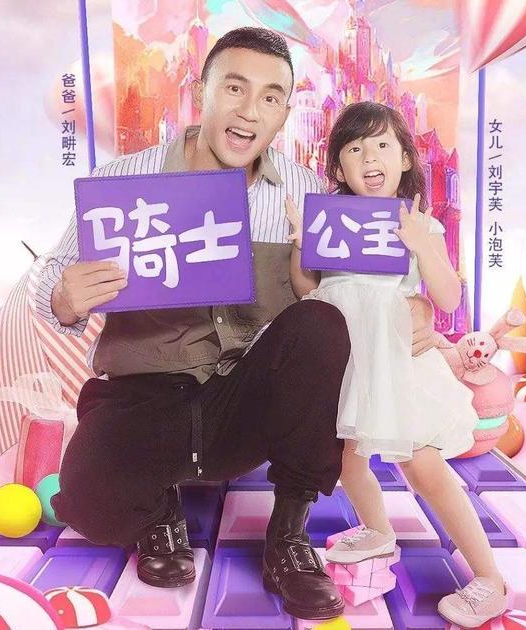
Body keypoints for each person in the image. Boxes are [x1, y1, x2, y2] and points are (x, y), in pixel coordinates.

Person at [36, 29, 438, 621]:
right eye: (234, 87)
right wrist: (64, 297)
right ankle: (159, 511)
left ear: (284, 113)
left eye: (271, 97)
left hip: (245, 400)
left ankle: (289, 534)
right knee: (89, 504)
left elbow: (363, 279)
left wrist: (418, 306)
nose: (250, 111)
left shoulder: (306, 194)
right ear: (200, 92)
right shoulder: (125, 180)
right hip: (145, 397)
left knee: (321, 321)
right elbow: (50, 275)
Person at [285, 102, 509, 628]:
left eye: (382, 145)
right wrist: (300, 246)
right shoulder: (330, 224)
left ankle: (490, 578)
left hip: (402, 365)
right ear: (338, 168)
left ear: (405, 158)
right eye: (355, 148)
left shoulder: (419, 223)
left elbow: (449, 298)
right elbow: (307, 292)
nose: (370, 157)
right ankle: (378, 530)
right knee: (347, 458)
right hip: (349, 364)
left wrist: (423, 247)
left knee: (422, 466)